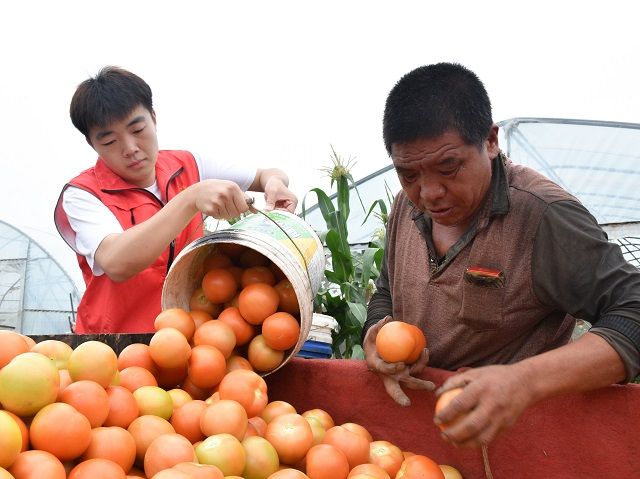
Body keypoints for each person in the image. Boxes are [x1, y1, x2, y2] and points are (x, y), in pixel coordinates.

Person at [362, 62, 640, 448]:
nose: (429, 193)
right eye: (409, 174)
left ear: (490, 141)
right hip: (422, 438)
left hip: (522, 441)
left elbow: (633, 309)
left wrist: (523, 382)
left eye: (448, 167)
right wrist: (376, 333)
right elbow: (386, 292)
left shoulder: (542, 216)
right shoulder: (404, 209)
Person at [54, 66, 297, 334]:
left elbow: (266, 175)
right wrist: (190, 198)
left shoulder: (188, 164)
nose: (130, 148)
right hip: (112, 350)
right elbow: (116, 262)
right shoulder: (82, 194)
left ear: (154, 119)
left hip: (187, 344)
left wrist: (275, 183)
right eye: (110, 141)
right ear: (92, 145)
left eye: (137, 129)